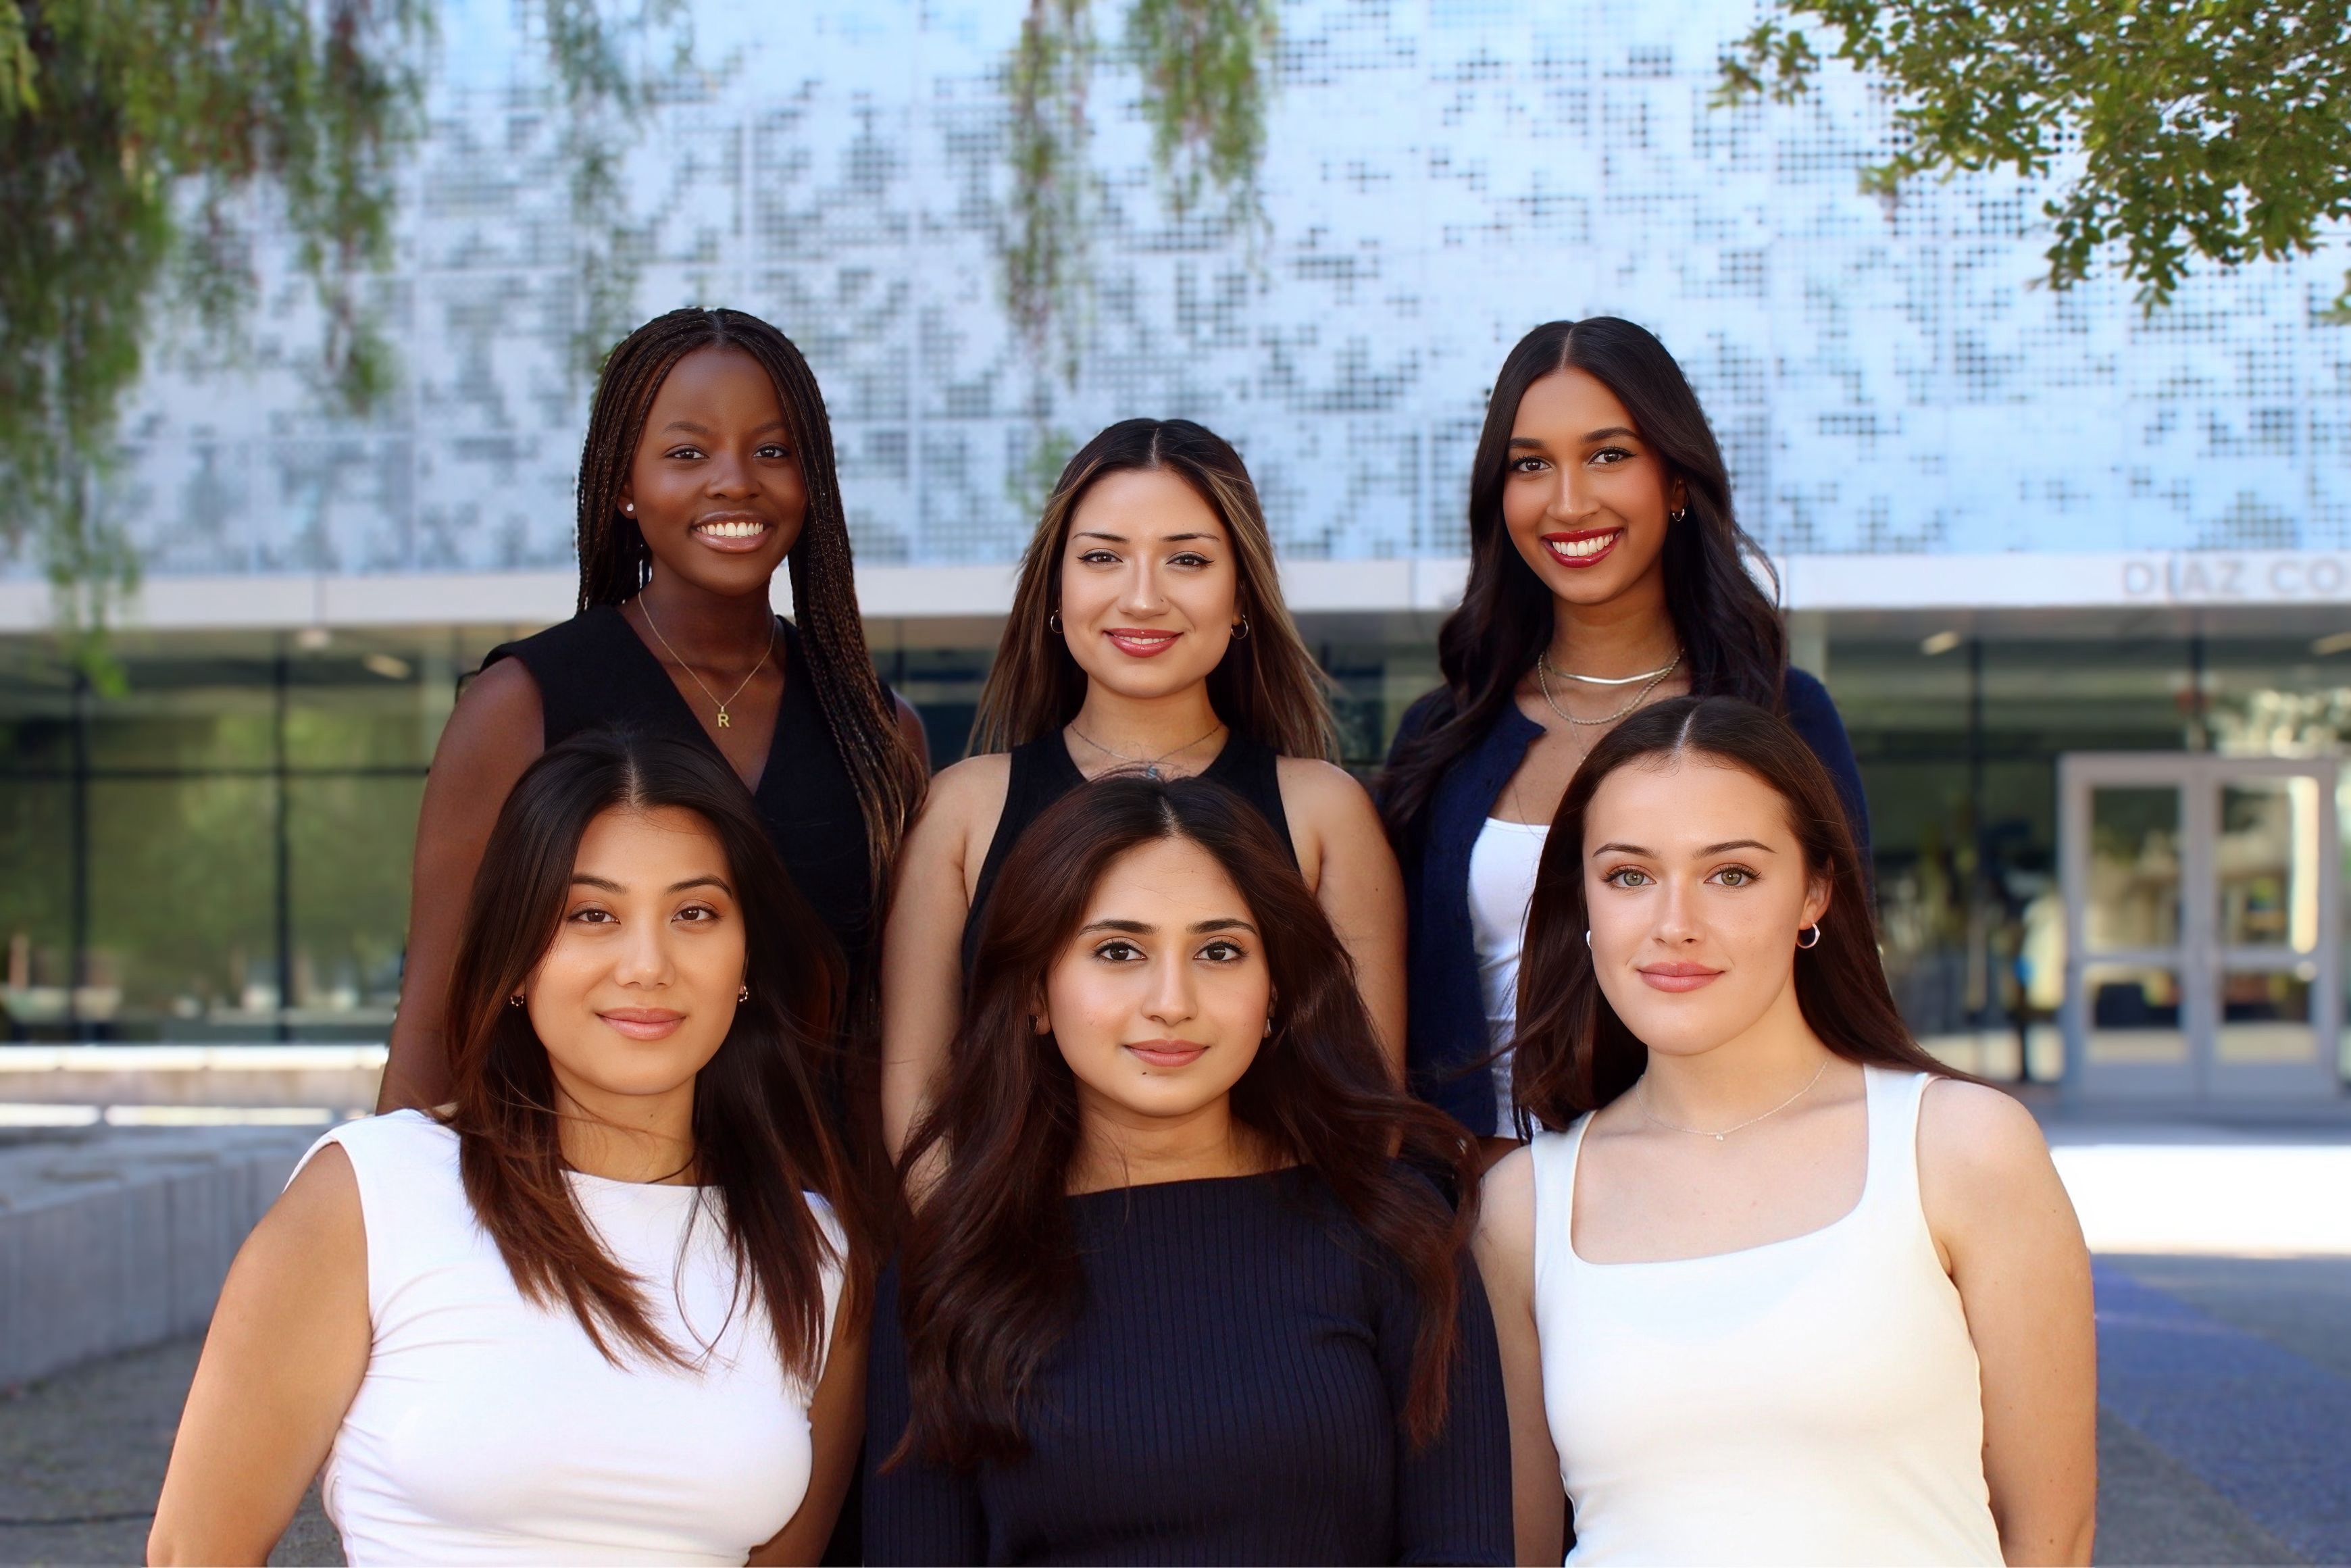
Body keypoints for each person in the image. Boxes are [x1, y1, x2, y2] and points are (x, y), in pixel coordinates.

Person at [151, 732, 869, 1565]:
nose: (647, 963)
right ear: (519, 956)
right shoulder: (373, 1193)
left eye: (695, 912)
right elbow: (194, 1553)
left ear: (745, 958)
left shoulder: (816, 1254)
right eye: (591, 914)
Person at [1472, 697, 2095, 1566]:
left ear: (1815, 892)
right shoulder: (1523, 1205)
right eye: (1628, 875)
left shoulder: (1961, 1148)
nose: (1673, 921)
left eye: (1731, 874)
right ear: (1583, 899)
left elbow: (2052, 1542)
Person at [865, 776, 1511, 1566]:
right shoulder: (949, 1270)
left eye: (1219, 950)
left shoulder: (1395, 1231)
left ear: (1274, 992)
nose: (1171, 1001)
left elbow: (1465, 1545)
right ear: (1035, 989)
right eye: (1118, 950)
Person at [380, 306, 928, 1116]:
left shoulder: (879, 729)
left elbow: (899, 1034)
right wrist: (390, 1224)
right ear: (625, 487)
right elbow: (434, 1017)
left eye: (772, 450)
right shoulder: (521, 705)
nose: (734, 478)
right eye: (687, 452)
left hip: (817, 1211)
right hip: (580, 1202)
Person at [1381, 316, 1870, 1143]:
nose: (1569, 501)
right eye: (1531, 464)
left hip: (1718, 1185)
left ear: (1677, 480)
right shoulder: (1445, 732)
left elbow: (1843, 980)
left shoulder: (1780, 713)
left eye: (1609, 454)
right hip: (1471, 1205)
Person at [880, 418, 1405, 1161]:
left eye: (1187, 559)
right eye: (1103, 557)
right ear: (1056, 590)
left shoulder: (1324, 812)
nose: (1143, 598)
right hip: (1015, 1262)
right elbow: (918, 1099)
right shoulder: (963, 809)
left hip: (1270, 1256)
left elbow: (1367, 1108)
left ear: (1242, 594)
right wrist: (973, 1261)